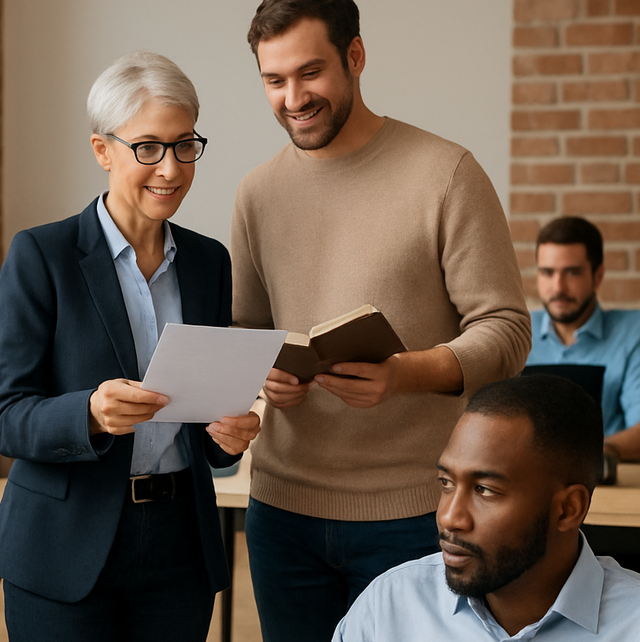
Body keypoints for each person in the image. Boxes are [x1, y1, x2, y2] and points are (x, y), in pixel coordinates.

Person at [231, 1, 532, 640]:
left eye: (309, 73)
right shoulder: (256, 193)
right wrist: (265, 376)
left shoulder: (447, 173)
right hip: (282, 514)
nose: (292, 97)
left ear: (356, 57)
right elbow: (246, 332)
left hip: (418, 514)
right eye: (273, 80)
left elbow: (506, 327)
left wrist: (405, 374)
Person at [0, 51, 260, 642]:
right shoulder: (42, 256)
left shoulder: (209, 262)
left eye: (186, 145)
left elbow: (207, 428)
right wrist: (88, 412)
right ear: (102, 150)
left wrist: (229, 435)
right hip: (64, 548)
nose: (171, 168)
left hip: (179, 548)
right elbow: (7, 420)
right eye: (149, 147)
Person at [333, 374, 640, 641]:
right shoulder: (388, 608)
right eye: (446, 482)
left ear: (568, 509)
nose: (450, 518)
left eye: (485, 490)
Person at [527, 216, 640, 463]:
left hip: (605, 482)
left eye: (573, 273)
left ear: (597, 276)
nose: (558, 287)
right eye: (547, 272)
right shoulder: (518, 332)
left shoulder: (633, 333)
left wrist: (584, 456)